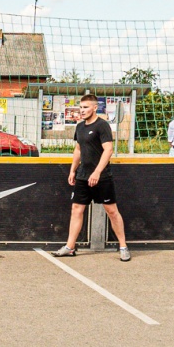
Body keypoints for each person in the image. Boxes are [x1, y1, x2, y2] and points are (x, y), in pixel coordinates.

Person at [54, 92, 130, 261]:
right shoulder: (80, 127)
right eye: (80, 107)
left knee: (111, 211)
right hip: (82, 176)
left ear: (95, 108)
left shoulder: (102, 126)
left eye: (86, 107)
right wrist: (73, 170)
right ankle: (70, 247)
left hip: (102, 177)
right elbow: (78, 149)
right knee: (76, 209)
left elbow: (108, 150)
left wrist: (97, 172)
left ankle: (123, 246)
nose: (82, 110)